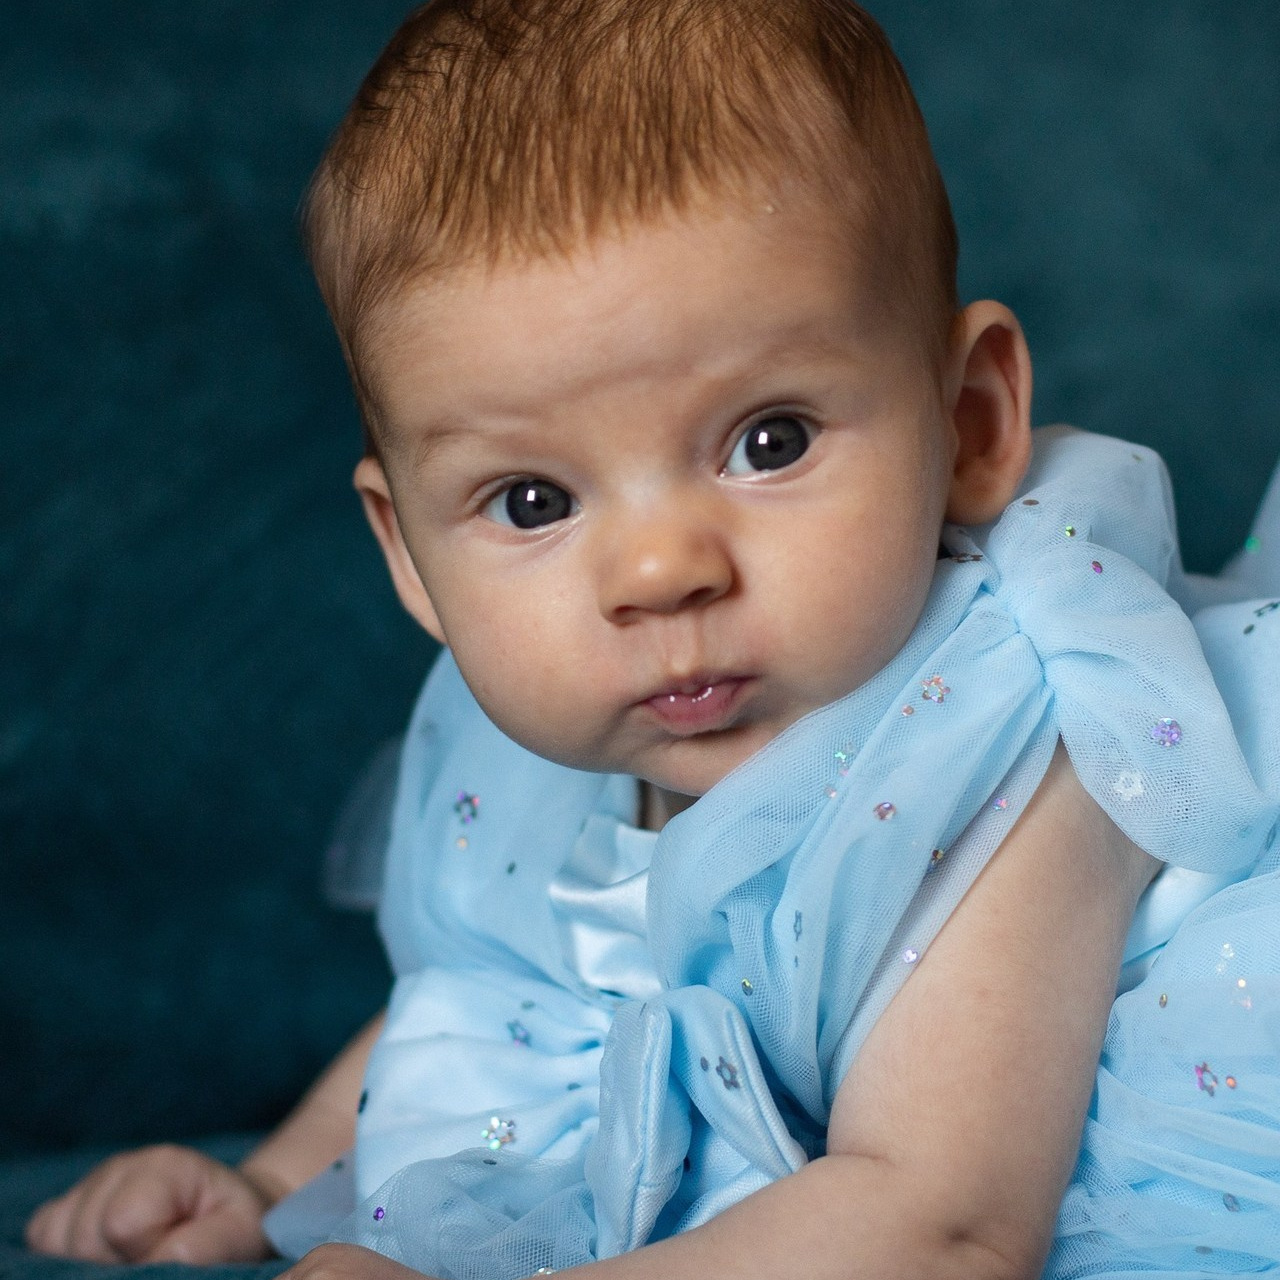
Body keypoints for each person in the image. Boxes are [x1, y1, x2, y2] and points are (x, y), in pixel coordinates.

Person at [25, 1, 1280, 1277]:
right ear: (407, 552)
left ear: (965, 424)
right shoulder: (547, 757)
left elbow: (941, 1222)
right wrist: (267, 1179)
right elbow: (523, 1000)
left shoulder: (1015, 735)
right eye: (531, 502)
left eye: (768, 440)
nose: (659, 572)